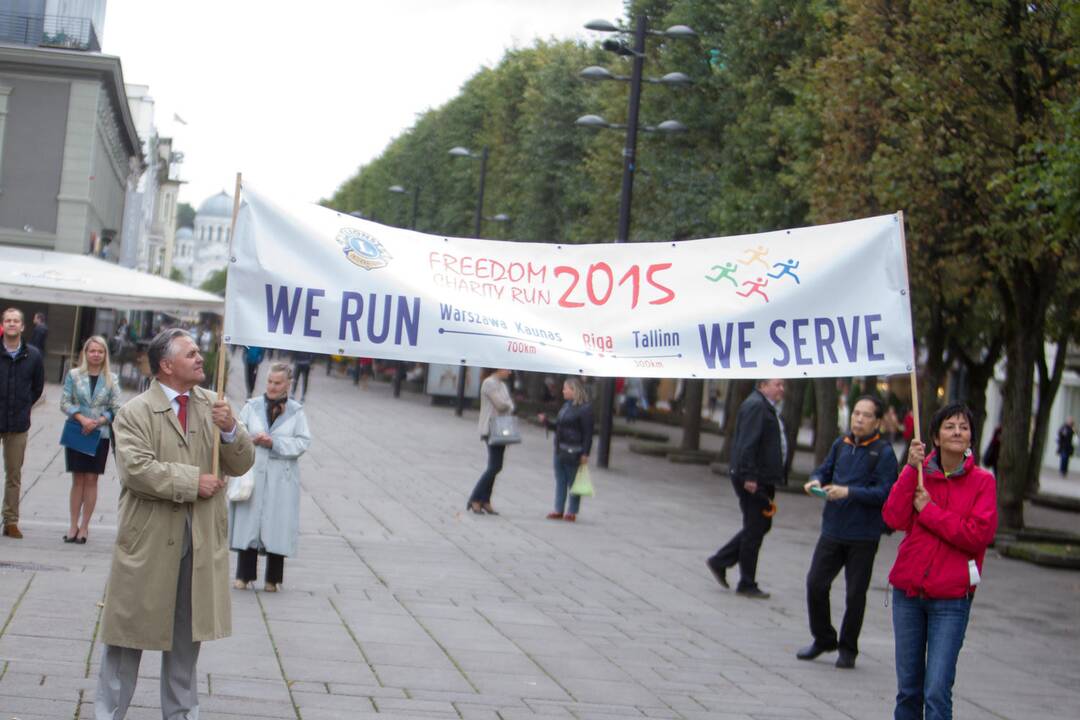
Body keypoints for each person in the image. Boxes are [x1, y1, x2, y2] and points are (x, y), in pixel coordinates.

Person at [94, 328, 255, 719]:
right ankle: (108, 714)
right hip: (148, 543)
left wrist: (231, 428)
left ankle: (181, 715)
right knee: (126, 639)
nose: (201, 359)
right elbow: (136, 471)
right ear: (166, 365)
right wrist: (191, 481)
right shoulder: (135, 412)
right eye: (191, 354)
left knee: (186, 643)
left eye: (200, 353)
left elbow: (242, 462)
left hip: (198, 543)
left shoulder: (213, 405)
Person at [883, 403, 997, 720]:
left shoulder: (983, 483)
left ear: (971, 437)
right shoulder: (919, 474)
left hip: (951, 600)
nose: (957, 432)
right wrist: (909, 470)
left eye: (963, 426)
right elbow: (892, 517)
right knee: (908, 691)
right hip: (908, 595)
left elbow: (977, 536)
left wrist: (930, 511)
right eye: (949, 426)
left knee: (936, 692)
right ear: (935, 436)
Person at [798, 396, 898, 669]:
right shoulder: (840, 444)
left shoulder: (884, 453)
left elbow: (886, 493)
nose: (859, 419)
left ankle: (848, 648)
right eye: (856, 413)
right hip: (833, 528)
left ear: (877, 421)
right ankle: (824, 638)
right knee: (815, 584)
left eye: (866, 415)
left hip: (863, 535)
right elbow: (824, 469)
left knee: (855, 594)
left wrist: (849, 492)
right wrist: (815, 481)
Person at [230, 362, 311, 592]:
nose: (273, 387)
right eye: (270, 382)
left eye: (278, 383)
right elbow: (238, 429)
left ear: (288, 384)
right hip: (255, 471)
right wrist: (251, 439)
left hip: (281, 476)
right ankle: (244, 575)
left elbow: (303, 442)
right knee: (250, 524)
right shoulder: (252, 406)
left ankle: (273, 579)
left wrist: (275, 442)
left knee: (277, 523)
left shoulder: (296, 411)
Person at [706, 378, 786, 599]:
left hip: (761, 477)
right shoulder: (757, 406)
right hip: (754, 478)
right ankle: (746, 581)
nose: (782, 389)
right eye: (777, 384)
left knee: (759, 525)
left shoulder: (763, 406)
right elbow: (748, 443)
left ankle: (721, 560)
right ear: (762, 385)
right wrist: (750, 476)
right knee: (755, 527)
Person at [60, 336, 122, 544]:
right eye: (92, 351)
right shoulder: (74, 375)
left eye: (100, 351)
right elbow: (65, 401)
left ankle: (85, 526)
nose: (96, 354)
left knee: (92, 479)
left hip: (99, 434)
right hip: (78, 431)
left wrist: (99, 421)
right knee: (77, 479)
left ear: (105, 355)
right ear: (85, 353)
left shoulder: (112, 378)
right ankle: (72, 525)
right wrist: (81, 418)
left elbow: (117, 407)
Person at [0, 308, 45, 539]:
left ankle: (11, 520)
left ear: (23, 326)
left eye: (16, 321)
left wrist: (24, 405)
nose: (11, 324)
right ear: (2, 325)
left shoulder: (33, 355)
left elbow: (37, 388)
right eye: (7, 320)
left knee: (14, 475)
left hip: (18, 423)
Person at [538, 376, 594, 522]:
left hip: (574, 450)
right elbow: (558, 426)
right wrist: (546, 423)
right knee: (560, 480)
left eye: (565, 388)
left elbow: (588, 433)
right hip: (560, 448)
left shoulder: (584, 409)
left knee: (573, 481)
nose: (563, 391)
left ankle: (572, 511)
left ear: (574, 390)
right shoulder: (566, 406)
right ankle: (558, 509)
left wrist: (585, 453)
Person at [468, 368, 514, 515]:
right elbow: (502, 405)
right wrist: (507, 405)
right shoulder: (489, 383)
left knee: (497, 465)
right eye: (507, 368)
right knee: (494, 466)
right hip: (491, 427)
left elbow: (510, 405)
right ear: (498, 368)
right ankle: (475, 498)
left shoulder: (502, 385)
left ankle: (485, 500)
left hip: (502, 428)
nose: (510, 372)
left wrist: (506, 405)